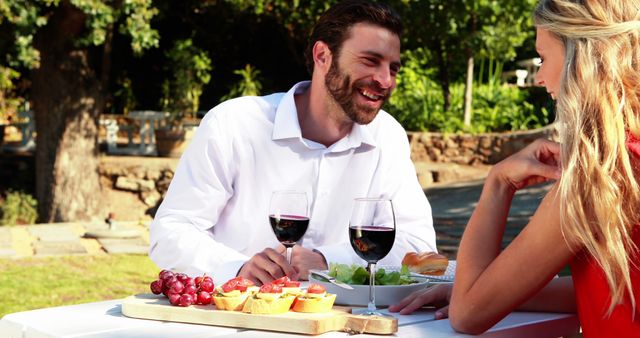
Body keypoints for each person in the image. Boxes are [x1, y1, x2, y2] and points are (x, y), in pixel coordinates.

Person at [391, 0, 640, 336]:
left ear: (579, 60)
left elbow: (466, 316)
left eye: (543, 58)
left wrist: (498, 182)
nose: (539, 76)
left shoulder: (597, 180)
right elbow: (618, 292)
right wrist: (498, 291)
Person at [149, 0, 437, 286]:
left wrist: (327, 260)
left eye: (394, 68)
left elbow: (417, 245)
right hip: (239, 320)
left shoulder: (388, 136)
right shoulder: (234, 124)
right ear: (323, 56)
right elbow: (171, 232)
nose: (386, 80)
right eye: (370, 61)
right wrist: (238, 268)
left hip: (342, 322)